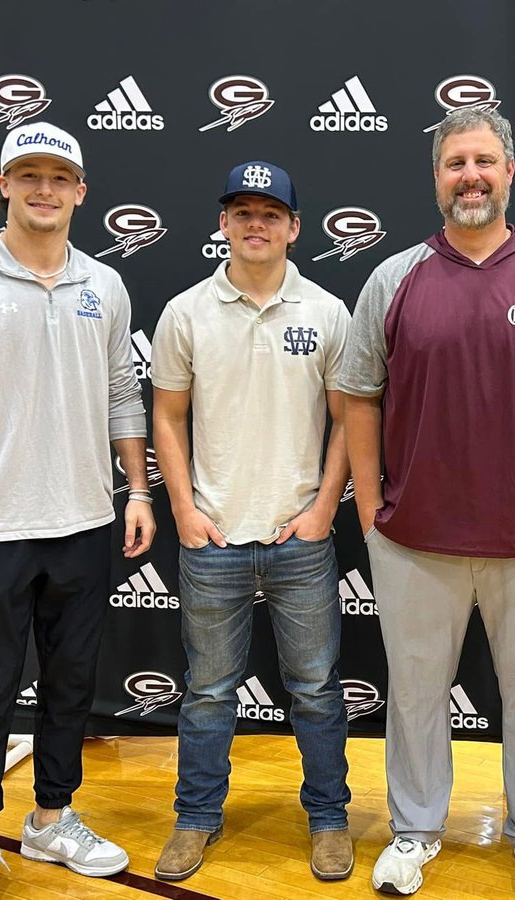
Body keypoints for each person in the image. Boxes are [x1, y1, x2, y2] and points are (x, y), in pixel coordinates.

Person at [339, 105, 515, 900]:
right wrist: (371, 512)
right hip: (412, 538)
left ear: (510, 172)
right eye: (456, 162)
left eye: (485, 161)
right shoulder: (394, 278)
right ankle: (416, 829)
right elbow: (359, 397)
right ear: (436, 178)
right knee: (415, 696)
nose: (471, 176)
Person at [0, 121, 155, 900]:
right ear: (4, 184)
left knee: (72, 685)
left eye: (59, 177)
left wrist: (138, 489)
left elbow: (122, 392)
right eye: (29, 175)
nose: (44, 189)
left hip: (84, 523)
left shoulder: (104, 284)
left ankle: (51, 817)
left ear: (81, 191)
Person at [151, 161, 354, 883]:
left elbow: (347, 421)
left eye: (271, 213)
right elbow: (167, 417)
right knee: (208, 693)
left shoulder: (327, 313)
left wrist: (323, 508)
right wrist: (183, 509)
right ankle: (195, 817)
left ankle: (329, 818)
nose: (256, 224)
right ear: (224, 224)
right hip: (213, 538)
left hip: (300, 540)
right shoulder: (186, 313)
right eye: (243, 212)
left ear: (294, 227)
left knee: (316, 691)